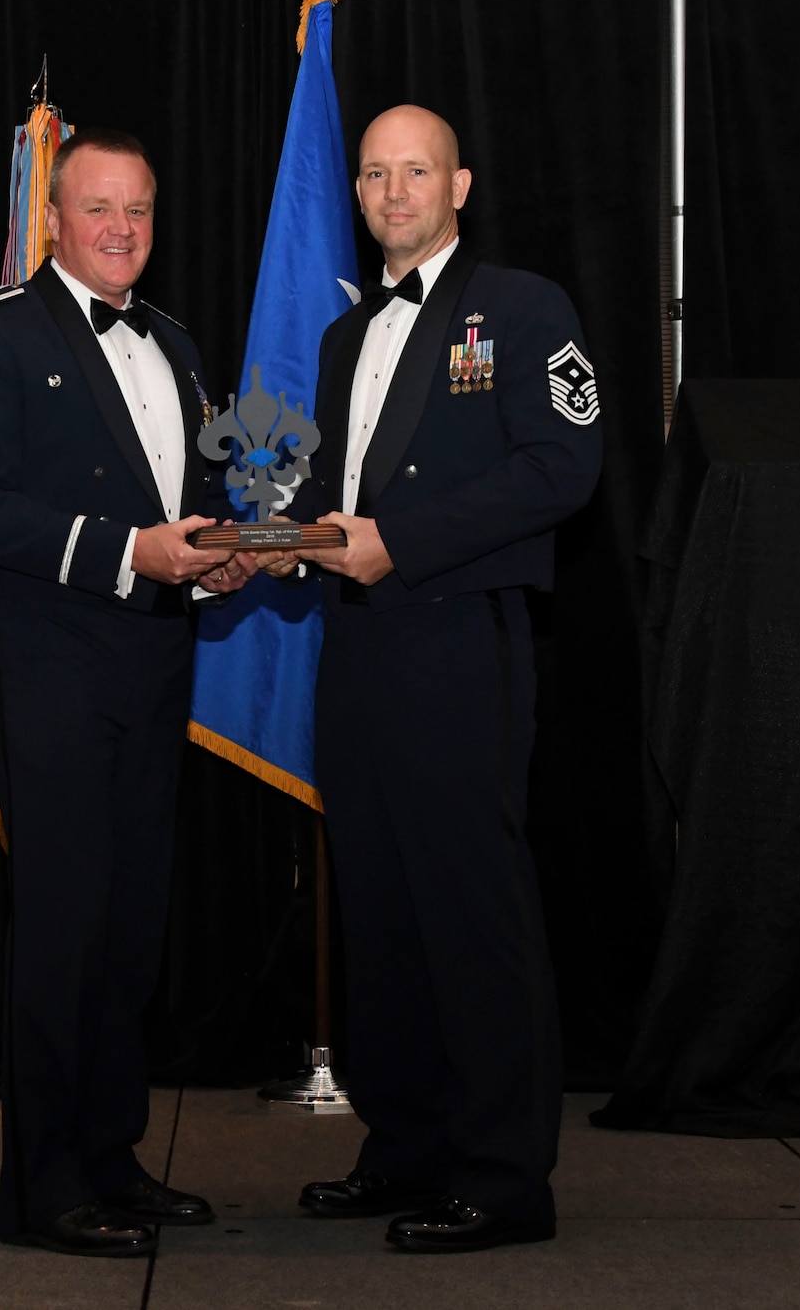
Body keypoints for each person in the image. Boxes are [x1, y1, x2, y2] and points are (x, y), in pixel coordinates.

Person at [260, 105, 603, 1252]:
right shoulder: (343, 340)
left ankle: (504, 1178)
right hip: (357, 651)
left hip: (461, 641)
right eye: (372, 172)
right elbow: (333, 502)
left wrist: (399, 541)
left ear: (459, 185)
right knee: (382, 911)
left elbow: (564, 464)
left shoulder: (522, 308)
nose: (392, 191)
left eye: (415, 171)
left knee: (470, 912)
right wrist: (259, 550)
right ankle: (403, 1147)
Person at [0, 128, 255, 1258]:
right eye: (99, 209)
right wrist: (130, 550)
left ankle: (111, 1155)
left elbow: (195, 494)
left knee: (130, 928)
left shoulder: (173, 339)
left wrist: (232, 548)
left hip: (160, 660)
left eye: (140, 211)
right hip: (56, 661)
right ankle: (45, 1187)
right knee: (63, 926)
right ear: (56, 220)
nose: (121, 230)